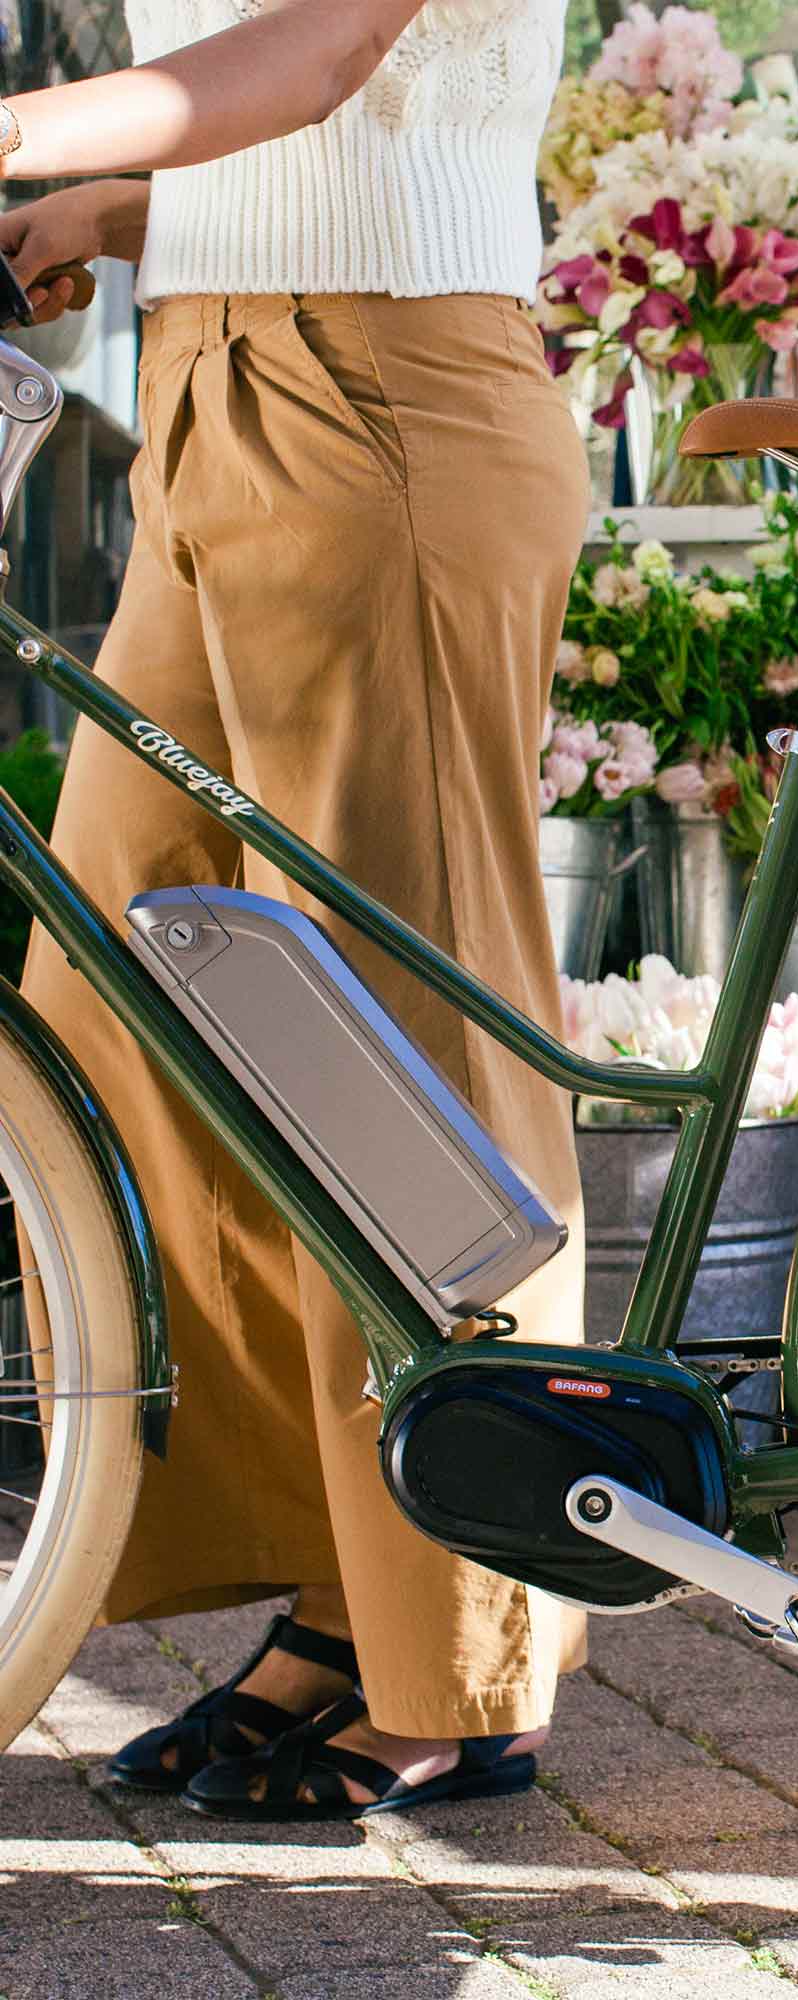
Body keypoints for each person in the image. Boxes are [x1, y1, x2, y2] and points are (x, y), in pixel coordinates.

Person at [0, 0, 588, 1820]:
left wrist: (31, 133)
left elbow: (326, 52)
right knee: (124, 1001)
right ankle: (341, 1576)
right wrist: (115, 220)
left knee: (404, 1065)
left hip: (388, 403)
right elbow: (331, 143)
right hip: (216, 392)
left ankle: (466, 1649)